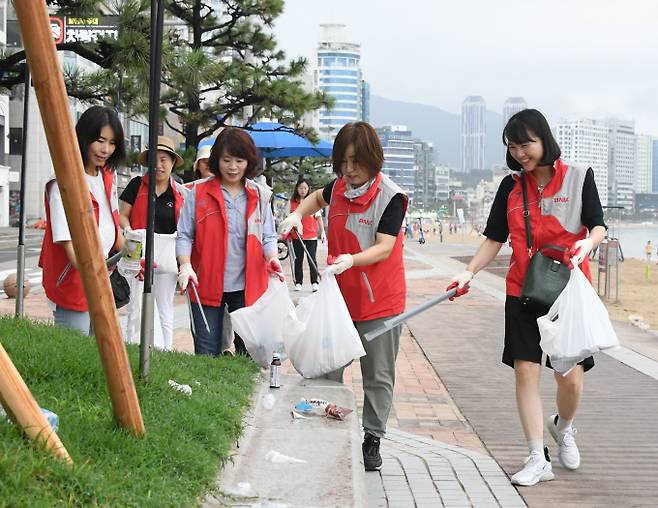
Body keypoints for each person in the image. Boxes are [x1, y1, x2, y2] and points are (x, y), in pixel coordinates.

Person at [448, 109, 607, 486]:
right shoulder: (510, 187)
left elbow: (598, 224)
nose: (521, 153)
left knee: (569, 380)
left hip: (567, 291)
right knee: (526, 369)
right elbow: (494, 238)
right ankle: (537, 457)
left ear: (545, 141)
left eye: (528, 144)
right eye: (514, 146)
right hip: (522, 289)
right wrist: (468, 272)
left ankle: (563, 426)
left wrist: (589, 241)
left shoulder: (580, 176)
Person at [279, 121, 408, 472]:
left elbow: (384, 248)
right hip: (338, 300)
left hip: (380, 302)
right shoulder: (337, 188)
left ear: (372, 158)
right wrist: (296, 214)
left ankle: (373, 438)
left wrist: (351, 260)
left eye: (356, 162)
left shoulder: (391, 196)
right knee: (325, 368)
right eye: (343, 163)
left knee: (377, 375)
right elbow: (314, 199)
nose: (349, 171)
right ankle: (324, 424)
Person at [176, 127, 284, 357]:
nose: (233, 167)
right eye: (226, 160)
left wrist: (272, 258)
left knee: (249, 353)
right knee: (206, 353)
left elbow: (268, 236)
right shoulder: (198, 193)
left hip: (247, 286)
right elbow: (185, 234)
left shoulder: (260, 196)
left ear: (249, 162)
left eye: (239, 160)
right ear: (216, 160)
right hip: (205, 283)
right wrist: (185, 265)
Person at [39, 106, 126, 335]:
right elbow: (67, 243)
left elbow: (114, 228)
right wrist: (94, 273)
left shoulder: (108, 175)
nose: (105, 149)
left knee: (98, 353)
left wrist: (136, 255)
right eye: (99, 140)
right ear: (84, 137)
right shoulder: (63, 182)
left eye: (112, 142)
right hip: (74, 281)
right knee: (72, 354)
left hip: (100, 278)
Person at [118, 136, 189, 351]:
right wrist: (130, 234)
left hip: (167, 253)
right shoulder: (136, 185)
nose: (158, 165)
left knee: (164, 305)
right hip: (137, 248)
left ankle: (164, 350)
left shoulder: (179, 191)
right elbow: (122, 216)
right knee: (137, 305)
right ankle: (134, 346)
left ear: (173, 163)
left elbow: (184, 226)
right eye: (154, 159)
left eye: (164, 159)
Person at [288, 177, 326, 292]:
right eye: (300, 187)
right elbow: (289, 219)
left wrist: (323, 232)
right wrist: (288, 234)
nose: (302, 190)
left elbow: (318, 218)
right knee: (298, 259)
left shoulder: (313, 202)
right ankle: (298, 283)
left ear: (308, 189)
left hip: (311, 236)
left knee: (312, 259)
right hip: (297, 236)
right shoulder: (291, 202)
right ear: (297, 189)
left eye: (305, 188)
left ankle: (314, 282)